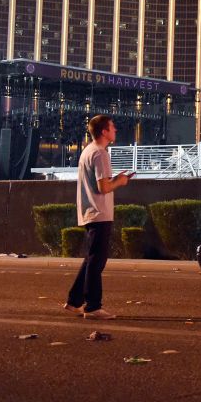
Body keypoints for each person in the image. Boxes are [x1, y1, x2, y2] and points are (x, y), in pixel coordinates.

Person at [64, 115, 131, 320]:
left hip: (89, 212)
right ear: (104, 131)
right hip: (99, 212)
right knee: (96, 262)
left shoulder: (87, 151)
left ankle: (74, 301)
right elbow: (103, 187)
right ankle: (93, 306)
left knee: (91, 259)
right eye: (112, 127)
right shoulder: (101, 154)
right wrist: (120, 181)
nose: (115, 130)